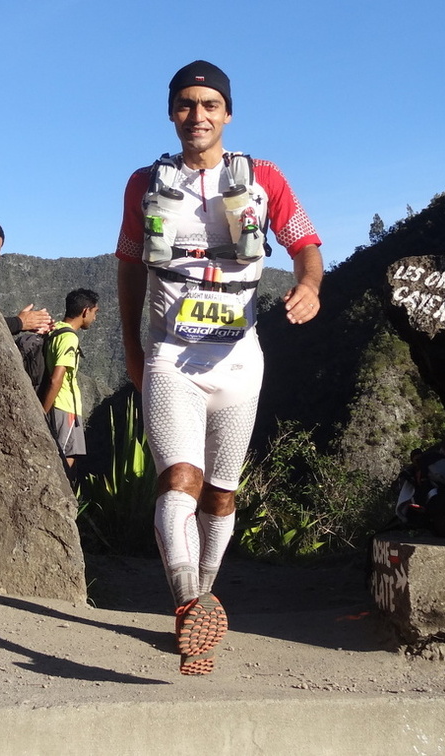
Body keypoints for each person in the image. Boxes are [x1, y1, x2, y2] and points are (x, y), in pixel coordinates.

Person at [115, 60, 324, 675]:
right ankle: (189, 602)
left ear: (228, 113)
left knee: (222, 493)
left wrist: (310, 285)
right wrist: (132, 349)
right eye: (185, 104)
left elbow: (306, 246)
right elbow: (129, 267)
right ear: (170, 112)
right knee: (179, 476)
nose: (197, 115)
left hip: (239, 361)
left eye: (209, 104)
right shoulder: (144, 183)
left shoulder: (265, 178)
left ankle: (203, 600)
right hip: (171, 356)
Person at [39, 288, 99, 476]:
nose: (95, 318)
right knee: (64, 465)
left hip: (57, 407)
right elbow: (56, 379)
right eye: (95, 312)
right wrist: (41, 414)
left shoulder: (55, 330)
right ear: (85, 311)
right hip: (65, 408)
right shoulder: (69, 338)